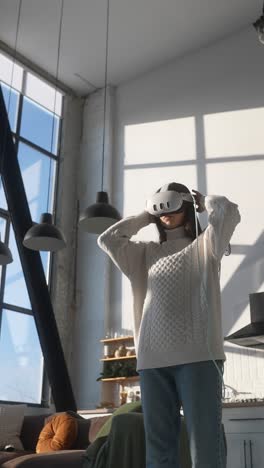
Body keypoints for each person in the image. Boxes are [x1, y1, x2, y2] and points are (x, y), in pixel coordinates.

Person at [97, 182, 241, 468]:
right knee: (159, 450)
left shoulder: (206, 246)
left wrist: (204, 203)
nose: (165, 210)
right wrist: (144, 216)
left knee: (205, 446)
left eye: (172, 203)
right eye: (159, 205)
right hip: (152, 362)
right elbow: (108, 239)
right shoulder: (143, 254)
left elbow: (228, 212)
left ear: (185, 205)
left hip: (199, 358)